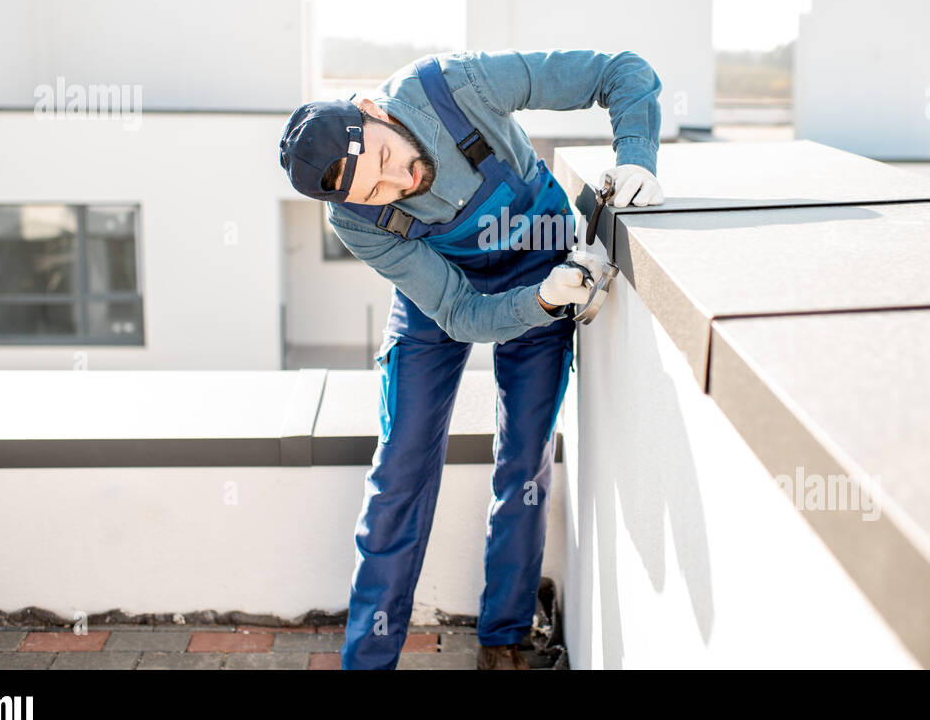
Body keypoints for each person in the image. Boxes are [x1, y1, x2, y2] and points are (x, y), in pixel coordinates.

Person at [278, 48, 665, 669]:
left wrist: (637, 157)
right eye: (376, 189)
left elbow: (620, 71)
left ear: (373, 110)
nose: (396, 183)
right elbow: (458, 313)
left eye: (384, 158)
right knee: (400, 469)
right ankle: (368, 660)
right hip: (441, 298)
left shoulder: (456, 85)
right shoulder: (354, 219)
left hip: (543, 259)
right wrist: (538, 302)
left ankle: (504, 637)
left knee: (524, 461)